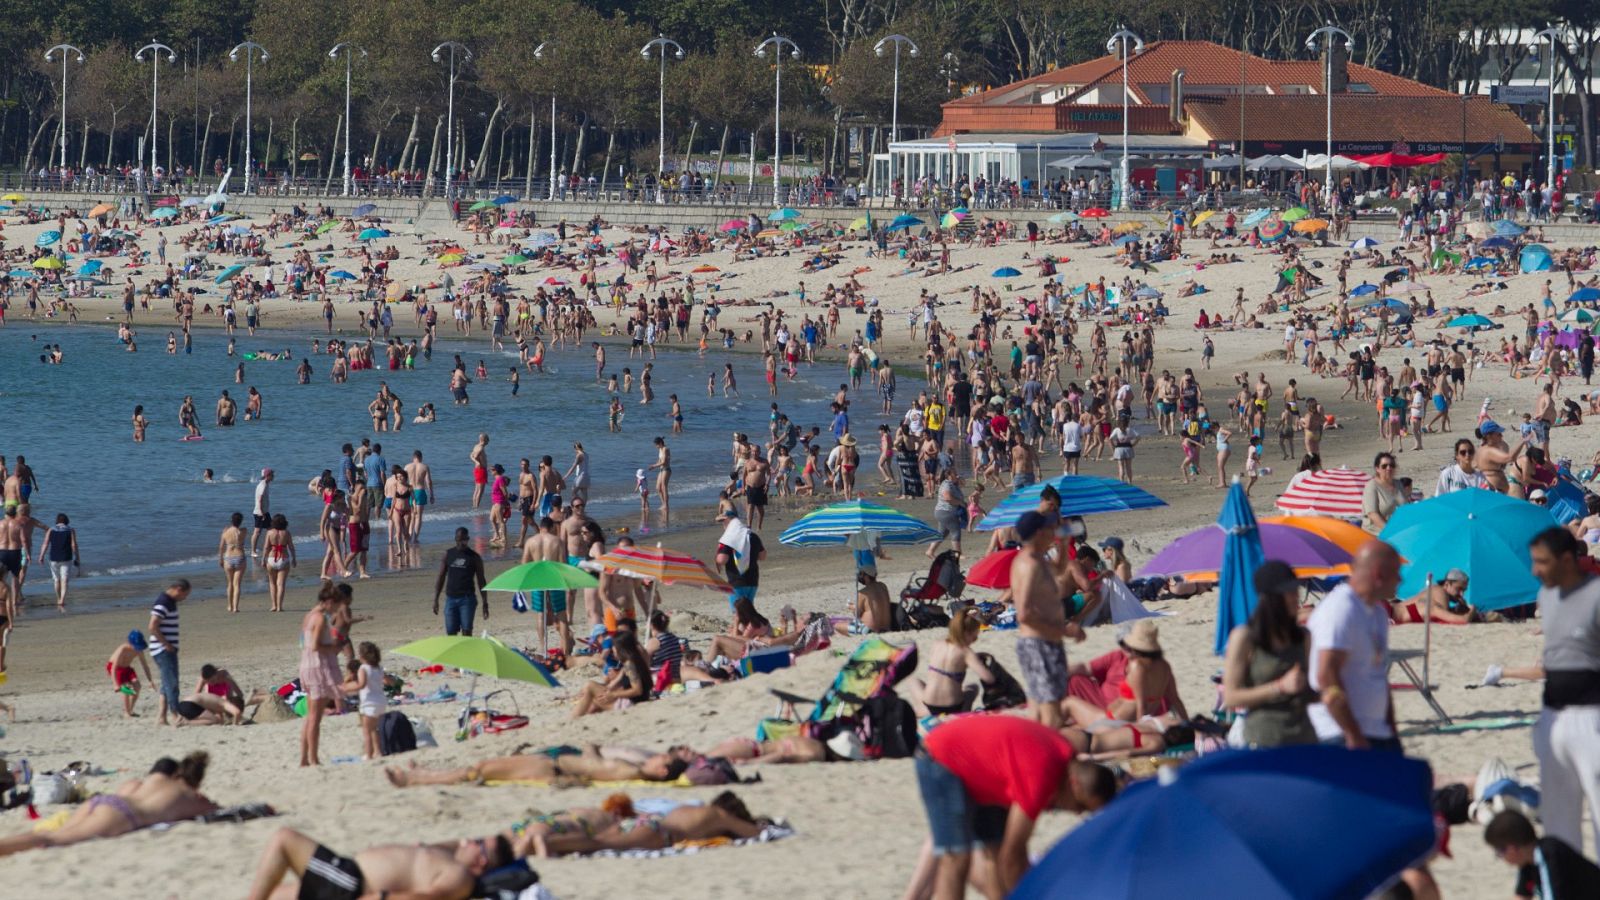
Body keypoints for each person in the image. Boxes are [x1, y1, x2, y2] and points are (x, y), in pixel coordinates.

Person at [904, 715, 1117, 900]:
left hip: (983, 770)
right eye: (1081, 806)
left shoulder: (1063, 757)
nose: (1077, 812)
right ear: (1075, 784)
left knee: (995, 851)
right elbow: (1013, 856)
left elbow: (1011, 855)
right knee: (956, 858)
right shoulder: (1041, 777)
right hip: (941, 758)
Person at [1526, 526, 1600, 860]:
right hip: (1552, 717)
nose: (1535, 570)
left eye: (1542, 562)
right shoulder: (1546, 596)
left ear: (1567, 560)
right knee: (1558, 820)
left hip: (1592, 717)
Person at [0, 753, 216, 857]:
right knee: (52, 840)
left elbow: (122, 793)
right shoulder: (190, 796)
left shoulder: (140, 783)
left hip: (103, 802)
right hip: (122, 813)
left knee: (50, 835)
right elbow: (216, 810)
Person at [1307, 540, 1401, 751]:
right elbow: (1326, 675)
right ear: (1378, 574)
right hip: (1339, 733)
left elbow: (1378, 676)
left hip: (1377, 730)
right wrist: (1353, 734)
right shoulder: (1341, 609)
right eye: (1396, 573)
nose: (1400, 580)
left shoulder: (1377, 612)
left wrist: (1391, 728)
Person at [244, 826, 511, 900]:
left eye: (478, 843)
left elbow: (429, 898)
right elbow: (455, 843)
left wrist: (383, 898)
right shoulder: (449, 856)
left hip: (353, 884)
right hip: (347, 878)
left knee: (285, 839)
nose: (468, 841)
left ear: (481, 860)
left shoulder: (460, 876)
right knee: (274, 894)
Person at [1221, 560, 1317, 747]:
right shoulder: (1244, 638)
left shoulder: (1303, 636)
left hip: (1304, 738)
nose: (1296, 596)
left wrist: (1329, 692)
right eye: (1289, 592)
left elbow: (1305, 691)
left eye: (1296, 589)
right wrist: (1279, 687)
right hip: (1263, 741)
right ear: (1270, 598)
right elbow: (1230, 697)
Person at [1009, 510, 1083, 728]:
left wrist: (1064, 543)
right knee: (1052, 713)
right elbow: (1024, 613)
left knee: (1040, 709)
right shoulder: (1029, 564)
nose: (1054, 531)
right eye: (1050, 528)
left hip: (1045, 642)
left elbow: (1059, 569)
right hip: (1038, 643)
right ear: (1040, 532)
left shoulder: (1038, 559)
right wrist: (1064, 630)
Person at [525, 791, 766, 857]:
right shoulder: (720, 815)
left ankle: (540, 842)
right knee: (598, 844)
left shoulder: (691, 808)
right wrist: (756, 823)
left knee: (599, 839)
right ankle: (547, 843)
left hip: (645, 822)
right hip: (659, 833)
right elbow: (753, 832)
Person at [385, 747, 689, 787]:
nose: (657, 757)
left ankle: (414, 779)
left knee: (479, 769)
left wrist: (590, 749)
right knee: (481, 767)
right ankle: (420, 774)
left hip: (551, 769)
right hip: (551, 765)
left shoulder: (631, 772)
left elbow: (592, 770)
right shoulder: (634, 769)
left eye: (662, 760)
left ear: (662, 771)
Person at [1483, 809, 1600, 900]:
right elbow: (1521, 896)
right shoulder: (1527, 861)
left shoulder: (1549, 853)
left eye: (1500, 852)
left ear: (1512, 849)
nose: (1501, 857)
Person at [916, 608, 994, 716]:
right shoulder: (966, 652)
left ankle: (924, 710)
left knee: (915, 681)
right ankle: (964, 711)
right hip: (952, 707)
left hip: (930, 704)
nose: (975, 640)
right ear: (966, 633)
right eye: (975, 636)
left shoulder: (937, 644)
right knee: (972, 688)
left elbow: (948, 663)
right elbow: (988, 678)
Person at [299, 583, 344, 766]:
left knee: (310, 717)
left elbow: (304, 642)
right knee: (315, 718)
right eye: (336, 606)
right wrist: (333, 646)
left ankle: (304, 759)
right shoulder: (320, 618)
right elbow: (315, 645)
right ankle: (314, 758)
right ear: (330, 602)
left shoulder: (309, 615)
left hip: (307, 665)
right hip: (318, 666)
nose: (336, 610)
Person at [572, 629, 653, 717]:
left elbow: (637, 690)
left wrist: (613, 694)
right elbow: (612, 686)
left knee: (590, 686)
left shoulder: (630, 665)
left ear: (621, 648)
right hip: (630, 701)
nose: (612, 650)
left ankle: (573, 720)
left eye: (614, 647)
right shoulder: (631, 662)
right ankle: (578, 719)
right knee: (592, 700)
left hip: (631, 704)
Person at [148, 579, 189, 726]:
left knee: (166, 684)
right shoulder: (164, 602)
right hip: (163, 650)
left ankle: (161, 717)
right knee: (172, 683)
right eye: (185, 595)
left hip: (164, 649)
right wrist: (166, 644)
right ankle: (175, 714)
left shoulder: (169, 602)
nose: (184, 598)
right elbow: (152, 626)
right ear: (178, 589)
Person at [433, 527, 487, 635]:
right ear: (455, 539)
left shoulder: (474, 557)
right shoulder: (448, 554)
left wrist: (485, 602)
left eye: (464, 539)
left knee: (467, 631)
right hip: (451, 599)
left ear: (468, 539)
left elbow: (481, 580)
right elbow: (441, 577)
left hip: (467, 599)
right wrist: (436, 599)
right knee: (451, 633)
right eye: (459, 539)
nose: (461, 542)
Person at [715, 512, 766, 610]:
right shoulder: (752, 535)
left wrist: (717, 557)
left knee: (738, 613)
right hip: (753, 580)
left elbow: (721, 559)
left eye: (724, 521)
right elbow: (762, 556)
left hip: (737, 580)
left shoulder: (728, 538)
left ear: (729, 522)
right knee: (749, 611)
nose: (723, 525)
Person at [345, 641, 386, 760]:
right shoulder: (378, 668)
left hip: (369, 703)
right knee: (374, 729)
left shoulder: (363, 668)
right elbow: (386, 680)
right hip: (381, 702)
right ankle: (378, 752)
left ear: (362, 655)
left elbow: (361, 684)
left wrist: (346, 688)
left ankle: (368, 754)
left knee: (367, 731)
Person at [108, 629, 154, 718]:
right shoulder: (123, 649)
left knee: (137, 687)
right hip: (116, 669)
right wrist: (115, 684)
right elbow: (113, 668)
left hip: (127, 669)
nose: (137, 648)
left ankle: (130, 710)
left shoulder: (139, 651)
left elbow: (145, 665)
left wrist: (150, 680)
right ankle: (126, 712)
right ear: (130, 642)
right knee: (126, 689)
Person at [38, 512, 79, 609]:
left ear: (57, 521)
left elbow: (45, 543)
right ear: (67, 521)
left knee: (56, 580)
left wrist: (41, 556)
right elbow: (73, 545)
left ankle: (58, 597)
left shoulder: (51, 530)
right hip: (66, 557)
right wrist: (77, 556)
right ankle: (62, 600)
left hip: (53, 558)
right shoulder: (70, 530)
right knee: (64, 579)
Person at [1362, 451, 1405, 534]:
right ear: (1377, 469)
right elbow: (1372, 514)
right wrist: (1391, 531)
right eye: (1384, 466)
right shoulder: (1371, 486)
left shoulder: (1398, 484)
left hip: (1398, 530)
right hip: (1377, 533)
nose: (1389, 468)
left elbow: (1405, 507)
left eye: (1392, 465)